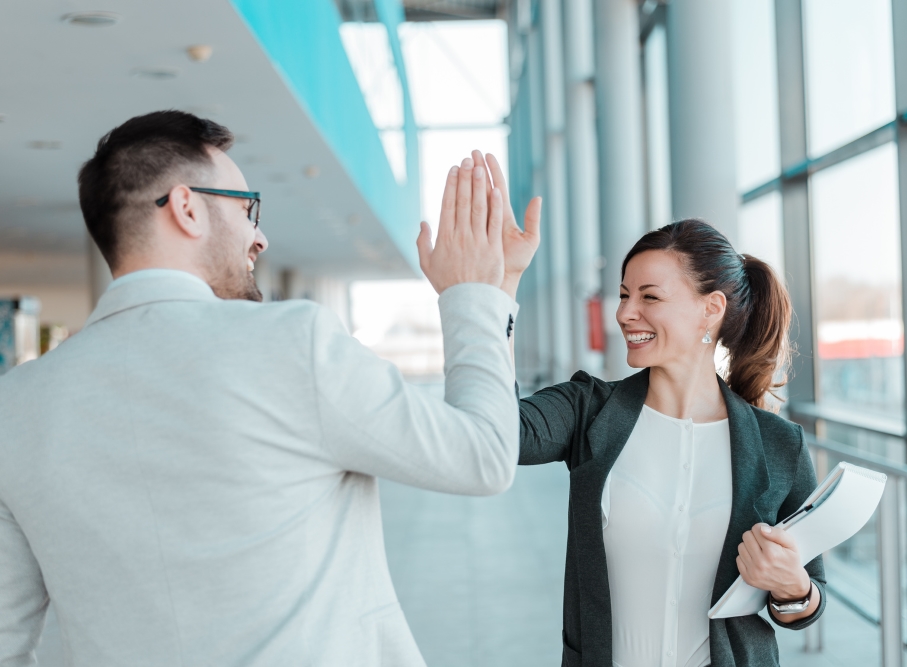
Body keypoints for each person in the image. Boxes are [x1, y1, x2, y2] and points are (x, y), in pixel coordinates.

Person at [0, 110, 540, 666]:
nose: (260, 236)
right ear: (187, 208)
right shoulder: (292, 344)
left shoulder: (16, 407)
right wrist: (476, 294)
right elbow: (483, 456)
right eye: (246, 208)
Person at [513, 220, 826, 667]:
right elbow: (499, 434)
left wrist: (794, 588)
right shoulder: (588, 410)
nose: (624, 312)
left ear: (710, 309)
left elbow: (808, 599)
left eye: (649, 296)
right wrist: (497, 298)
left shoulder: (779, 445)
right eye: (624, 295)